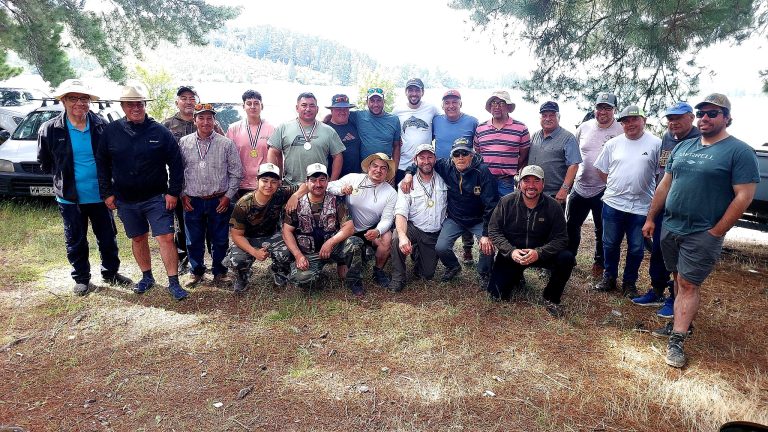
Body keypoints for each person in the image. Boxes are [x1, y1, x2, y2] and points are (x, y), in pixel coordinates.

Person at [642, 93, 759, 368]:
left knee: (689, 283)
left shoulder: (739, 151)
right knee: (678, 277)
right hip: (671, 226)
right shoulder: (684, 147)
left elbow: (744, 196)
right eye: (701, 113)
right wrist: (651, 218)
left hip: (702, 231)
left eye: (713, 113)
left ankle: (677, 339)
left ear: (727, 118)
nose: (704, 118)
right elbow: (665, 186)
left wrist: (716, 232)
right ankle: (684, 324)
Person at [37, 79, 131, 295]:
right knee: (76, 239)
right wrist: (64, 178)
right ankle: (81, 278)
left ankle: (111, 273)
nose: (79, 103)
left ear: (89, 102)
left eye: (84, 98)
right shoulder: (50, 129)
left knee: (108, 238)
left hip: (101, 195)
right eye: (73, 98)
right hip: (70, 198)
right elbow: (45, 162)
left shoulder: (101, 126)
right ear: (63, 101)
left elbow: (112, 159)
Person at [96, 85, 188, 300]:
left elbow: (176, 163)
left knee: (165, 237)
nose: (135, 108)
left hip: (156, 196)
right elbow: (101, 163)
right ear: (123, 106)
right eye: (130, 104)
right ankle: (147, 277)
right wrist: (106, 192)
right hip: (125, 199)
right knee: (138, 238)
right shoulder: (111, 131)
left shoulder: (160, 131)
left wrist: (173, 193)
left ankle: (173, 282)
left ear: (145, 105)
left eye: (139, 103)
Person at [631, 102, 700, 318]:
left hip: (686, 210)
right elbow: (661, 173)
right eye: (670, 118)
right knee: (660, 250)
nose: (674, 122)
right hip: (663, 205)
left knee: (679, 259)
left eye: (679, 118)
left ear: (691, 117)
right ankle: (657, 290)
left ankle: (674, 297)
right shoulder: (668, 137)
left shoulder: (700, 140)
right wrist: (652, 213)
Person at [402, 137, 498, 286]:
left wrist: (486, 234)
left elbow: (491, 204)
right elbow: (424, 163)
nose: (460, 157)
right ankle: (453, 266)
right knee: (441, 247)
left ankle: (484, 273)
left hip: (478, 219)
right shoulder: (444, 166)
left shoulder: (483, 171)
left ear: (471, 154)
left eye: (464, 153)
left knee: (488, 245)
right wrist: (409, 173)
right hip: (455, 218)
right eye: (456, 154)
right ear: (451, 157)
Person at [487, 165, 574, 316]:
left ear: (543, 184)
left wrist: (539, 252)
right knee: (496, 295)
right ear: (519, 184)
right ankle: (517, 275)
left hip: (541, 254)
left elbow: (561, 238)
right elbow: (494, 230)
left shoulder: (553, 206)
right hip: (514, 254)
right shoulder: (506, 202)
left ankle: (551, 296)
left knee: (567, 258)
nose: (531, 186)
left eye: (536, 181)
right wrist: (511, 251)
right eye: (526, 181)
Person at [593, 105, 661, 298]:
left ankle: (629, 282)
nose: (630, 124)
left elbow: (661, 175)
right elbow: (600, 168)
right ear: (621, 124)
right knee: (610, 243)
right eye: (626, 121)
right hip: (613, 204)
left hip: (641, 207)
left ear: (644, 120)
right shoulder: (613, 144)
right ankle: (609, 277)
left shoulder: (656, 144)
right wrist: (615, 184)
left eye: (634, 119)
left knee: (637, 247)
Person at [178, 103, 243, 286]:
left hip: (218, 200)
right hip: (192, 200)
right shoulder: (184, 143)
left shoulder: (226, 143)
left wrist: (228, 196)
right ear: (194, 119)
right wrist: (183, 195)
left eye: (209, 118)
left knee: (220, 239)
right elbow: (177, 171)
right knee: (193, 239)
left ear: (214, 120)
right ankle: (196, 271)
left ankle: (220, 272)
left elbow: (236, 172)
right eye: (201, 118)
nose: (205, 122)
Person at [162, 85, 222, 274]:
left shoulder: (212, 123)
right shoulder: (167, 124)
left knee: (212, 228)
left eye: (191, 98)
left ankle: (216, 262)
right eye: (184, 98)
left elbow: (223, 147)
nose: (188, 101)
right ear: (177, 102)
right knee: (184, 226)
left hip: (208, 185)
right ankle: (185, 260)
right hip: (183, 185)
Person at [282, 163, 365, 295]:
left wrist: (330, 242)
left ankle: (354, 281)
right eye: (313, 180)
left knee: (354, 243)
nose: (318, 184)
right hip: (309, 253)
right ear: (306, 182)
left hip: (333, 248)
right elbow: (287, 231)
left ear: (327, 181)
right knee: (302, 280)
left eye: (322, 180)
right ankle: (320, 276)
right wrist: (298, 256)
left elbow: (349, 228)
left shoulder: (337, 201)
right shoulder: (296, 203)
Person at [566, 92, 624, 277]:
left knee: (602, 228)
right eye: (600, 107)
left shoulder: (621, 130)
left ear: (615, 110)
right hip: (580, 186)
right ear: (595, 109)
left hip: (605, 188)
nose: (603, 111)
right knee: (572, 225)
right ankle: (569, 257)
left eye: (608, 108)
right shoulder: (584, 127)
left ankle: (599, 263)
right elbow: (572, 155)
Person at [224, 163, 303, 293]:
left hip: (271, 235)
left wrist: (295, 196)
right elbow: (236, 235)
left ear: (279, 183)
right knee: (236, 259)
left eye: (273, 182)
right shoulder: (244, 204)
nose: (268, 185)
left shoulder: (280, 193)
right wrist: (254, 252)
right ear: (257, 181)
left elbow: (304, 185)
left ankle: (278, 271)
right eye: (264, 181)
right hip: (248, 238)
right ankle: (242, 277)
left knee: (287, 252)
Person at [327, 153, 397, 287]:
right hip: (347, 228)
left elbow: (387, 218)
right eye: (375, 166)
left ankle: (378, 270)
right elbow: (329, 186)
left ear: (387, 172)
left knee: (387, 238)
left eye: (383, 168)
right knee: (343, 276)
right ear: (368, 167)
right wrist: (341, 189)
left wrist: (377, 230)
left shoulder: (391, 193)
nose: (378, 170)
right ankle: (356, 256)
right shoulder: (353, 178)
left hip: (369, 229)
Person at [388, 144, 447, 292]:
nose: (426, 161)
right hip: (414, 227)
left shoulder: (445, 179)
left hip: (433, 232)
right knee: (396, 237)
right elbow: (400, 212)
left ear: (435, 159)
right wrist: (402, 236)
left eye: (429, 157)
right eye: (422, 157)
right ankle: (398, 277)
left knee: (426, 274)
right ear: (415, 160)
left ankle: (418, 252)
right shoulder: (406, 183)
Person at [432, 89, 479, 264]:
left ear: (461, 104)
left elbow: (478, 147)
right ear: (442, 105)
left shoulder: (472, 121)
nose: (451, 105)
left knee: (466, 204)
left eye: (454, 102)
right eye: (447, 102)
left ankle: (467, 249)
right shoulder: (436, 120)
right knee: (440, 207)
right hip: (441, 171)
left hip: (465, 172)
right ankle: (436, 245)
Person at [267, 92, 345, 184]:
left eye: (312, 106)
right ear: (297, 108)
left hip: (318, 186)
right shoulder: (284, 128)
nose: (308, 109)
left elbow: (338, 156)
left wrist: (332, 182)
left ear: (317, 109)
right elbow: (273, 152)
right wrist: (275, 178)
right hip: (290, 185)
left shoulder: (328, 131)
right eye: (304, 105)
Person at [474, 90, 531, 197]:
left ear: (508, 107)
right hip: (484, 180)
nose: (497, 107)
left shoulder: (521, 128)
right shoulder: (480, 128)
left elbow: (524, 155)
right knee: (485, 211)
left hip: (506, 181)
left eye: (501, 103)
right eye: (493, 103)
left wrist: (510, 169)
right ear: (490, 107)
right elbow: (478, 153)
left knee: (506, 211)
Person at [528, 101, 581, 208]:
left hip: (554, 194)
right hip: (533, 191)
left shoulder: (568, 138)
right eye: (544, 115)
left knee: (553, 224)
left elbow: (574, 165)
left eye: (552, 115)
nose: (547, 118)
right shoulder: (535, 135)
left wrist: (564, 189)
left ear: (558, 117)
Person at [226, 90, 275, 197]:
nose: (253, 106)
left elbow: (277, 156)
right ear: (243, 106)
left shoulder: (272, 129)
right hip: (240, 185)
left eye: (256, 103)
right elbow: (228, 157)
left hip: (265, 184)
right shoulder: (233, 129)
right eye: (249, 103)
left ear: (262, 106)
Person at [392, 78, 439, 183]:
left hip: (424, 164)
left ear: (423, 92)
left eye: (417, 90)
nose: (414, 93)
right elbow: (392, 132)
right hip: (403, 165)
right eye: (410, 90)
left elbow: (440, 125)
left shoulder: (432, 109)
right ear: (405, 92)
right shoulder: (397, 110)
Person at [349, 88, 401, 178]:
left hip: (385, 170)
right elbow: (340, 114)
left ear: (384, 101)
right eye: (372, 101)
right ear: (367, 102)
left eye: (379, 100)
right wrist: (324, 120)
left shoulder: (394, 120)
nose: (376, 104)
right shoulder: (358, 116)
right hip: (365, 170)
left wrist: (394, 171)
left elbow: (397, 146)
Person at [323, 94, 362, 177]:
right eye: (338, 109)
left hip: (356, 177)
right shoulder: (326, 129)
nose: (342, 111)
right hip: (336, 179)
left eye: (345, 108)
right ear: (331, 110)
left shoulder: (354, 123)